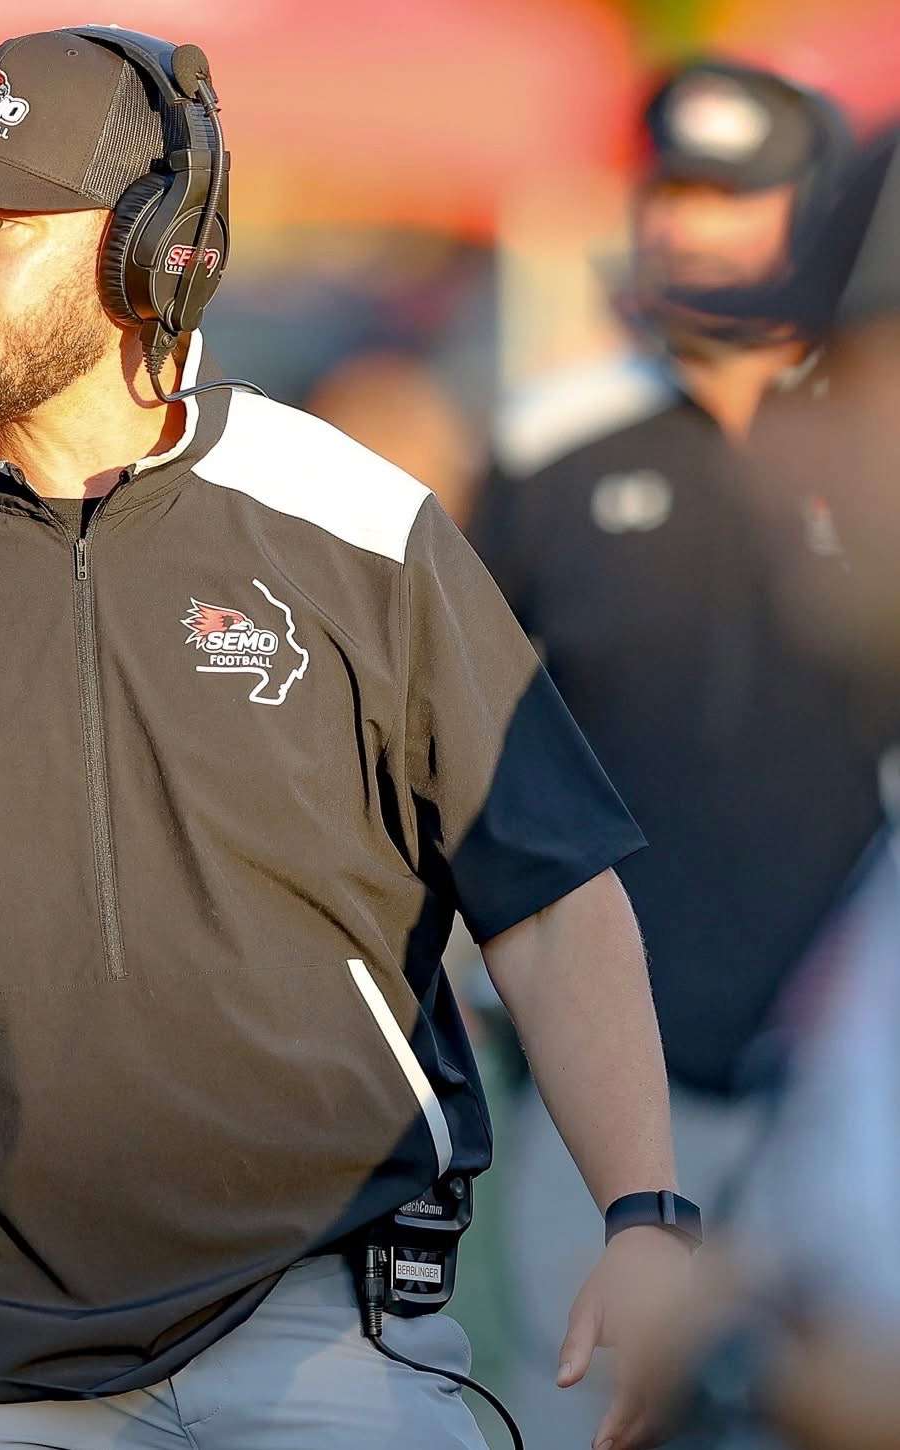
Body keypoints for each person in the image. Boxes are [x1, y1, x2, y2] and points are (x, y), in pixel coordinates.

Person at [0, 28, 692, 1450]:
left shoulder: (360, 525)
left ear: (157, 249)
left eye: (1, 223)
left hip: (328, 1316)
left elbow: (552, 897)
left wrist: (639, 1215)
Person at [468, 59, 884, 1449]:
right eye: (670, 196)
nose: (687, 233)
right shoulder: (548, 441)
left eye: (735, 201)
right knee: (582, 1407)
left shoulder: (862, 440)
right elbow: (460, 739)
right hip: (602, 1080)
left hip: (841, 1074)